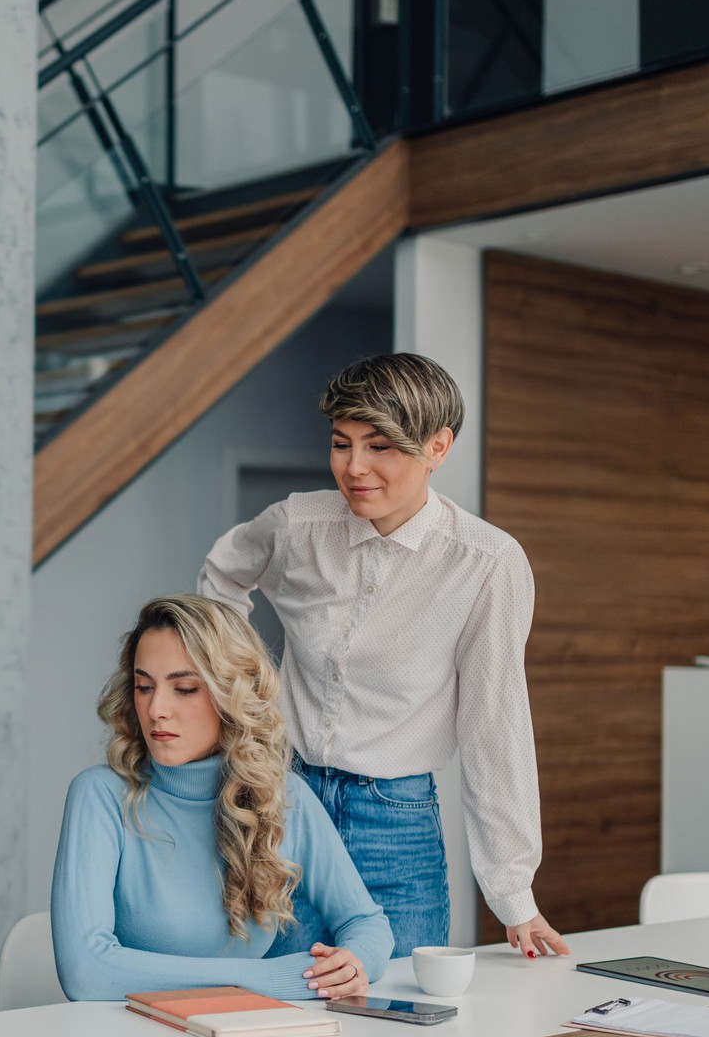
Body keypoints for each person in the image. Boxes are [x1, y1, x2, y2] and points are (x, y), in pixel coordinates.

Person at [199, 352, 567, 960]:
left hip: (396, 820)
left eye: (380, 447)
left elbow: (493, 727)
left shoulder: (485, 563)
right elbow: (222, 575)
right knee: (276, 1008)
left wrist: (514, 895)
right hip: (284, 805)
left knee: (396, 1012)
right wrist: (245, 691)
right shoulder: (296, 526)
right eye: (341, 444)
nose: (353, 467)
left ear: (437, 447)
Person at [51, 594, 393, 1002]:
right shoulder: (99, 796)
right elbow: (86, 972)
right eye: (144, 687)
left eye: (185, 688)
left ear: (232, 695)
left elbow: (368, 925)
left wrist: (354, 964)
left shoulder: (284, 798)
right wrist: (267, 979)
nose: (156, 708)